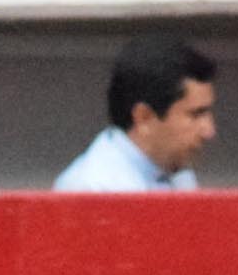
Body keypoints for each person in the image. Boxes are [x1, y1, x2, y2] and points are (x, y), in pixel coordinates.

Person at [54, 38, 217, 192]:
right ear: (144, 118)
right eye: (196, 115)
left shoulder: (177, 171)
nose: (209, 131)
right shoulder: (91, 189)